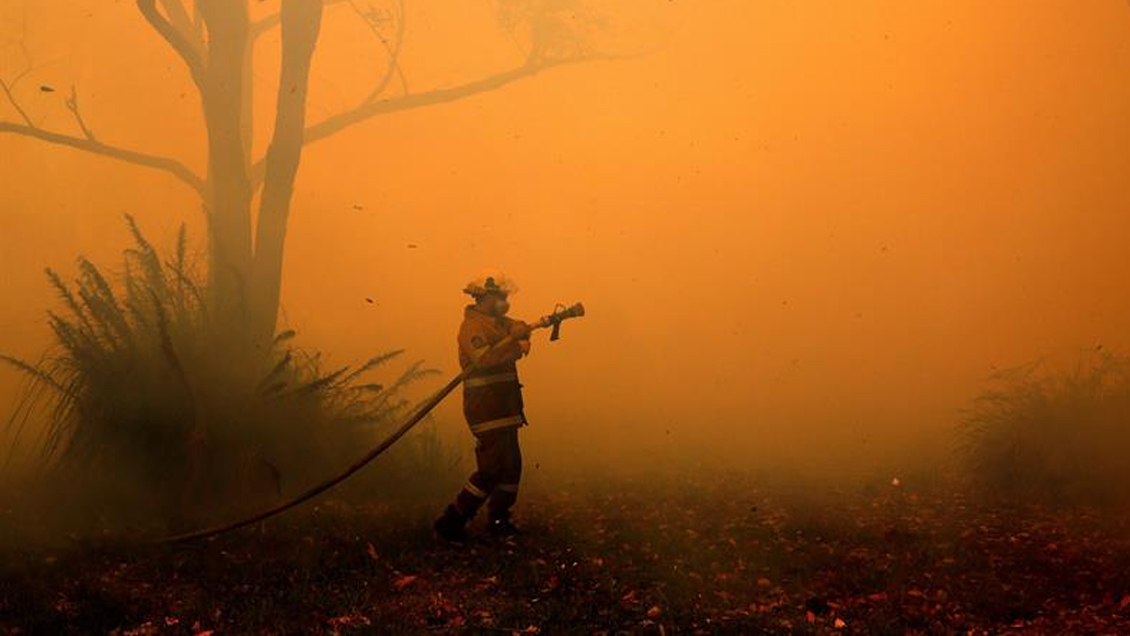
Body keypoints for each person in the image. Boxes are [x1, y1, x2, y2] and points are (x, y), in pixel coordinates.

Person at [434, 272, 533, 542]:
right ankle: (452, 521)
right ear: (483, 298)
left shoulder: (498, 323)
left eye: (506, 297)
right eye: (499, 297)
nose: (504, 302)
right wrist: (516, 345)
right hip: (486, 407)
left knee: (512, 465)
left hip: (506, 405)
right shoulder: (472, 328)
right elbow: (486, 359)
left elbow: (518, 327)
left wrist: (520, 330)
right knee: (491, 468)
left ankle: (499, 520)